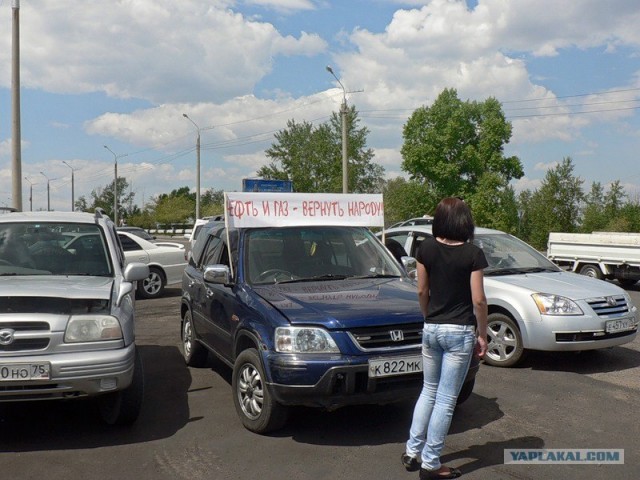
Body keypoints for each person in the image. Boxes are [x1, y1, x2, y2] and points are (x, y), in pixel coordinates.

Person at [402, 197, 488, 480]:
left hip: (432, 329)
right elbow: (478, 300)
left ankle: (412, 451)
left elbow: (421, 292)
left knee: (428, 391)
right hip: (460, 332)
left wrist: (428, 316)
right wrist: (482, 334)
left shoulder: (425, 248)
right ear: (465, 222)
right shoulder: (473, 254)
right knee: (446, 399)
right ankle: (431, 463)